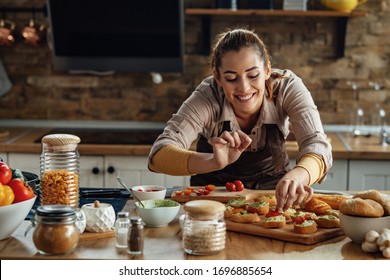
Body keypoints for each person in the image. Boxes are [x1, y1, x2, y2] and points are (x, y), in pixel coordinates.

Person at [148, 28, 332, 212]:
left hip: (275, 197)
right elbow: (158, 156)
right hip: (211, 202)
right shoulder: (207, 96)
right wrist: (213, 161)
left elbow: (316, 143)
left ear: (267, 69)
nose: (244, 87)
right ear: (218, 77)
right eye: (231, 78)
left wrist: (299, 176)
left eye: (253, 75)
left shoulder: (287, 87)